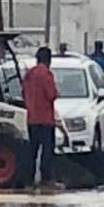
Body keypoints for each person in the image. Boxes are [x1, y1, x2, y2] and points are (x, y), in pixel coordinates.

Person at [22, 46, 60, 188]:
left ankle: (28, 180)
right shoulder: (46, 74)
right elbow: (51, 94)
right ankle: (47, 179)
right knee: (47, 150)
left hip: (31, 118)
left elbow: (23, 93)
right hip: (45, 119)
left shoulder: (29, 74)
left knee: (32, 151)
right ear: (49, 60)